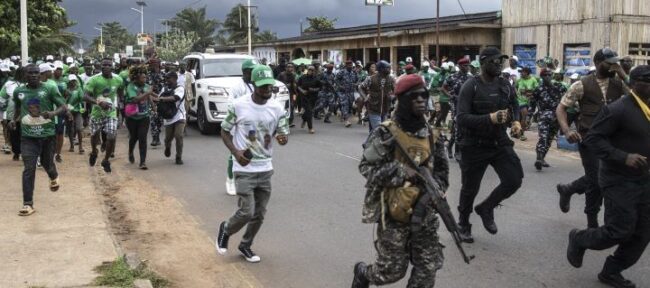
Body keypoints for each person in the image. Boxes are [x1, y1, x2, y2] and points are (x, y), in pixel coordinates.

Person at [351, 74, 447, 288]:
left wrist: (437, 190)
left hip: (426, 211)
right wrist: (400, 171)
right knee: (390, 272)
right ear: (402, 100)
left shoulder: (432, 135)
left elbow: (442, 173)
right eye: (415, 97)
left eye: (424, 96)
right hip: (395, 212)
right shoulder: (385, 132)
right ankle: (363, 274)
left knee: (428, 268)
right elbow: (366, 168)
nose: (421, 101)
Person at [566, 65, 650, 288]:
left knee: (643, 233)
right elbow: (593, 139)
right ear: (634, 84)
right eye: (647, 80)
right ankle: (579, 238)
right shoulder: (618, 109)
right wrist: (624, 157)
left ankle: (611, 272)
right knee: (620, 230)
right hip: (618, 179)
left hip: (645, 180)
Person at [216, 65, 290, 263]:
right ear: (253, 85)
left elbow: (283, 133)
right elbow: (224, 131)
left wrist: (283, 138)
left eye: (270, 86)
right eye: (263, 87)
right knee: (246, 211)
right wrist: (235, 152)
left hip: (265, 169)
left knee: (259, 215)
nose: (267, 90)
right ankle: (226, 229)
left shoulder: (276, 107)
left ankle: (245, 245)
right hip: (244, 168)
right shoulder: (239, 105)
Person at [455, 47, 523, 242]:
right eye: (494, 61)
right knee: (470, 188)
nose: (499, 65)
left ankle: (486, 207)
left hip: (499, 142)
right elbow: (461, 118)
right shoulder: (471, 86)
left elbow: (514, 105)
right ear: (483, 63)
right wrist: (490, 118)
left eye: (501, 61)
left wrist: (516, 121)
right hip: (474, 144)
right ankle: (463, 223)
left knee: (514, 179)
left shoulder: (505, 85)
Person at [556, 48, 626, 228]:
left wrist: (623, 74)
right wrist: (566, 130)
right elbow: (561, 108)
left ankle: (569, 189)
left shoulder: (619, 84)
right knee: (595, 180)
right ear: (597, 63)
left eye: (614, 62)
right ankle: (591, 221)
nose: (612, 66)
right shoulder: (581, 84)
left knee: (608, 177)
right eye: (608, 63)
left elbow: (641, 97)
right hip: (589, 140)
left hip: (613, 140)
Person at [12, 64, 67, 216]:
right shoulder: (19, 91)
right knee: (29, 169)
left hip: (47, 136)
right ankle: (27, 204)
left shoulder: (49, 89)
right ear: (25, 76)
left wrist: (53, 113)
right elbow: (17, 107)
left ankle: (53, 175)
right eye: (31, 73)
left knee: (46, 163)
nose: (34, 75)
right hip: (28, 137)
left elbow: (64, 106)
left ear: (40, 75)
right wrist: (13, 119)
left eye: (36, 73)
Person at [83, 58, 125, 173]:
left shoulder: (118, 79)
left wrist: (121, 101)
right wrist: (99, 102)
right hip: (96, 112)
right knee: (94, 136)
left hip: (110, 112)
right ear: (101, 67)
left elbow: (121, 90)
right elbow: (85, 96)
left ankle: (106, 160)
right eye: (104, 65)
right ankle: (94, 151)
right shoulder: (94, 80)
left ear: (112, 67)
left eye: (109, 65)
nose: (106, 67)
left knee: (111, 135)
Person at [224, 59, 257, 196]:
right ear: (245, 72)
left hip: (253, 126)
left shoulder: (256, 85)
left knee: (253, 153)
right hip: (238, 126)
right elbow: (231, 105)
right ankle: (230, 180)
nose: (253, 74)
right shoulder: (237, 87)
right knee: (235, 153)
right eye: (251, 71)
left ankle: (249, 182)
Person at [532, 68, 567, 170]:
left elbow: (568, 97)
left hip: (556, 117)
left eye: (549, 75)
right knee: (543, 137)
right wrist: (528, 117)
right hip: (543, 117)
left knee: (549, 139)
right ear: (541, 77)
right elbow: (532, 104)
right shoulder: (538, 89)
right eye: (545, 75)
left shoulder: (559, 87)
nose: (547, 77)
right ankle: (538, 158)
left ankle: (542, 158)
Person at [124, 65, 155, 169]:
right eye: (142, 77)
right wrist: (147, 93)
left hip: (144, 117)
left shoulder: (146, 86)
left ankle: (142, 162)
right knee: (134, 137)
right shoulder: (130, 87)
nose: (144, 79)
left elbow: (149, 96)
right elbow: (135, 99)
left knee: (142, 138)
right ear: (136, 78)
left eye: (145, 77)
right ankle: (130, 151)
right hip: (132, 117)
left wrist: (153, 105)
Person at [442, 58, 472, 160]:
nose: (467, 67)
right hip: (455, 104)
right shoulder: (452, 77)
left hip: (467, 105)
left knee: (463, 127)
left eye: (468, 65)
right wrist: (450, 96)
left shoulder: (470, 78)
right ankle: (457, 151)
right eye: (465, 65)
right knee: (458, 125)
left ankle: (450, 146)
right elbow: (443, 88)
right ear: (459, 66)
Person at [358, 60, 395, 133]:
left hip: (385, 109)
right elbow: (360, 87)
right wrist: (365, 97)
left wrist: (393, 97)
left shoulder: (391, 79)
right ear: (381, 69)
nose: (389, 69)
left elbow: (396, 90)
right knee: (380, 131)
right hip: (374, 109)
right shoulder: (371, 78)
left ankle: (367, 143)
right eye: (387, 68)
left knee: (374, 132)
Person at [159, 72, 186, 165]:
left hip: (179, 116)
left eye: (168, 78)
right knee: (168, 139)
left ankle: (178, 157)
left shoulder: (180, 88)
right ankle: (168, 147)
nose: (167, 80)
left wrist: (162, 99)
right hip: (168, 116)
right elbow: (158, 98)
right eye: (166, 78)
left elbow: (176, 98)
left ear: (175, 78)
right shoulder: (164, 88)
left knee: (179, 136)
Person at [1, 66, 23, 160]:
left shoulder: (29, 84)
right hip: (12, 112)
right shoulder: (9, 84)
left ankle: (25, 152)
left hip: (26, 113)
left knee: (24, 133)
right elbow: (2, 98)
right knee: (14, 134)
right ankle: (16, 152)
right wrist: (3, 111)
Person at [514, 67, 539, 141]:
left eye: (522, 72)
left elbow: (537, 90)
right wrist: (516, 93)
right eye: (520, 72)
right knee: (523, 116)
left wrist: (531, 94)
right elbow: (515, 87)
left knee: (523, 118)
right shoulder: (519, 80)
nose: (521, 73)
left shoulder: (533, 80)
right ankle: (521, 134)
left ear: (527, 73)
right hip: (520, 101)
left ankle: (520, 132)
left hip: (530, 102)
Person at [64, 75, 85, 154]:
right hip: (68, 111)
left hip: (77, 111)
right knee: (70, 129)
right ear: (69, 81)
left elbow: (81, 99)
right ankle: (72, 145)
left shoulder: (79, 89)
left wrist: (83, 108)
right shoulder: (66, 90)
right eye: (71, 81)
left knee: (79, 128)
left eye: (74, 80)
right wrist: (67, 110)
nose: (73, 82)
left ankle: (80, 146)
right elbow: (64, 101)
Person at [296, 65, 321, 133]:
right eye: (310, 70)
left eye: (313, 70)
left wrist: (313, 89)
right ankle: (310, 128)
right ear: (307, 70)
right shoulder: (302, 77)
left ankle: (304, 119)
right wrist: (302, 91)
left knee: (308, 111)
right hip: (304, 97)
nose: (311, 71)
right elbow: (298, 86)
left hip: (313, 98)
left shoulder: (316, 78)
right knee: (309, 112)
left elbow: (320, 88)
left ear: (314, 71)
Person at [147, 58, 165, 147]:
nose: (153, 66)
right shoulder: (148, 76)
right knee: (153, 119)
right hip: (152, 100)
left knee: (160, 121)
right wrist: (152, 103)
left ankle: (157, 136)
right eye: (152, 64)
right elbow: (147, 91)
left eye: (155, 64)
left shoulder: (164, 75)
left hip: (162, 100)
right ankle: (154, 138)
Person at [336, 60, 359, 127]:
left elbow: (358, 80)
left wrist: (356, 84)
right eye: (348, 65)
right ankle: (347, 121)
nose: (350, 66)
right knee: (345, 104)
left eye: (351, 65)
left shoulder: (354, 72)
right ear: (346, 65)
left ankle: (343, 115)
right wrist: (340, 86)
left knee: (349, 105)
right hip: (343, 92)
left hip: (351, 92)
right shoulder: (342, 72)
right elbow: (336, 79)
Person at [277, 63, 297, 127]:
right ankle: (281, 122)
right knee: (282, 107)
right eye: (288, 67)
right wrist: (284, 85)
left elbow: (294, 85)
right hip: (282, 94)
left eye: (291, 67)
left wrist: (295, 91)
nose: (290, 68)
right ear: (286, 68)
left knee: (291, 106)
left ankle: (290, 122)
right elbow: (277, 83)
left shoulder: (293, 75)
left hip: (290, 94)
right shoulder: (281, 75)